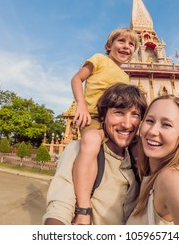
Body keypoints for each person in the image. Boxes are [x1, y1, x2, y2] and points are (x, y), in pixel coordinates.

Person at [42, 83, 147, 225]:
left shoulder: (138, 158)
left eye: (135, 114)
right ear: (103, 116)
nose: (127, 124)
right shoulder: (80, 150)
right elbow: (61, 205)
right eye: (119, 112)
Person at [70, 28, 139, 224]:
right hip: (93, 118)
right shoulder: (99, 59)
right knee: (91, 141)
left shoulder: (125, 78)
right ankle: (83, 207)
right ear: (109, 46)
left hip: (116, 123)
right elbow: (77, 79)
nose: (126, 46)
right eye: (121, 41)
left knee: (142, 146)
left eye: (131, 44)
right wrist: (81, 104)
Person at [127, 95, 179, 225]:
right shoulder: (148, 174)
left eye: (166, 124)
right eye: (149, 121)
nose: (152, 131)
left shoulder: (171, 179)